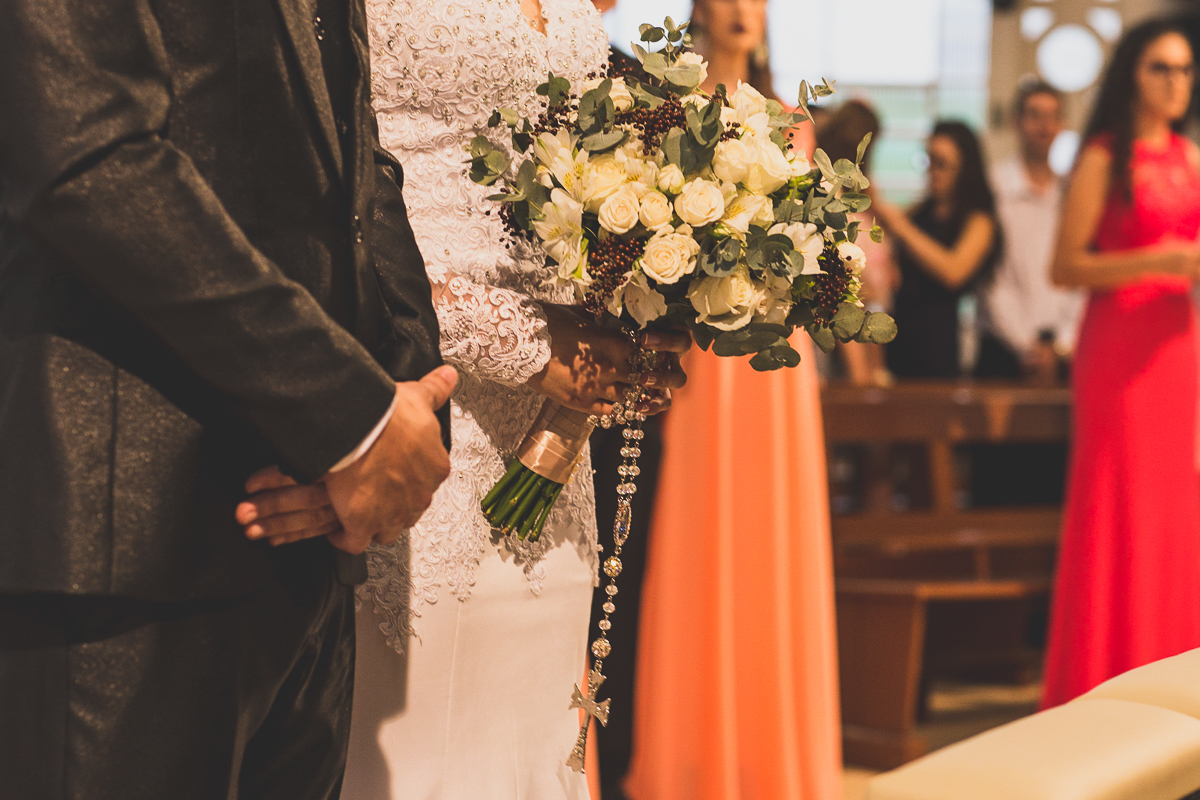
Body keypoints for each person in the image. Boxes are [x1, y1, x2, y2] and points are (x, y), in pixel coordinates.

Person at [0, 0, 454, 797]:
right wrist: (350, 419)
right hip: (129, 543)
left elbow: (356, 159)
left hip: (312, 541)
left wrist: (405, 399)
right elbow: (87, 158)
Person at [623, 1, 843, 798]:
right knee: (695, 523)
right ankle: (687, 753)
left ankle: (767, 755)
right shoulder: (673, 110)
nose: (745, 9)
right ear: (702, 9)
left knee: (770, 531)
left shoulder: (793, 121)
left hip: (776, 366)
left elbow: (815, 249)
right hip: (702, 354)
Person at [1041, 19, 1200, 708]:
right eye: (1161, 67)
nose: (1176, 82)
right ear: (1132, 74)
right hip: (1119, 352)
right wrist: (1157, 259)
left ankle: (1170, 692)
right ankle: (1101, 687)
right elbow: (1064, 266)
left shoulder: (1191, 158)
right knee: (1117, 511)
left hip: (1177, 348)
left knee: (1173, 514)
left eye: (1185, 69)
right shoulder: (1104, 157)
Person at [874, 121, 1000, 378]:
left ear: (964, 168)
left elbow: (954, 271)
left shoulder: (979, 220)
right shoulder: (921, 210)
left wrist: (901, 227)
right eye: (929, 161)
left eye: (942, 164)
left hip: (940, 346)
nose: (933, 172)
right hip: (898, 338)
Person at [977, 80, 1084, 381]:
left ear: (1062, 125)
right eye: (1035, 115)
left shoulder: (1072, 194)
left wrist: (1061, 344)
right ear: (1017, 122)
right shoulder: (993, 188)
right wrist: (1026, 345)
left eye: (1053, 116)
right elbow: (990, 277)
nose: (1044, 126)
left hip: (1063, 350)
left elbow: (1079, 276)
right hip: (1002, 349)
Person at [816, 99, 896, 386]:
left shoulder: (864, 194)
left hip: (869, 313)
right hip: (840, 315)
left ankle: (867, 378)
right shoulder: (825, 192)